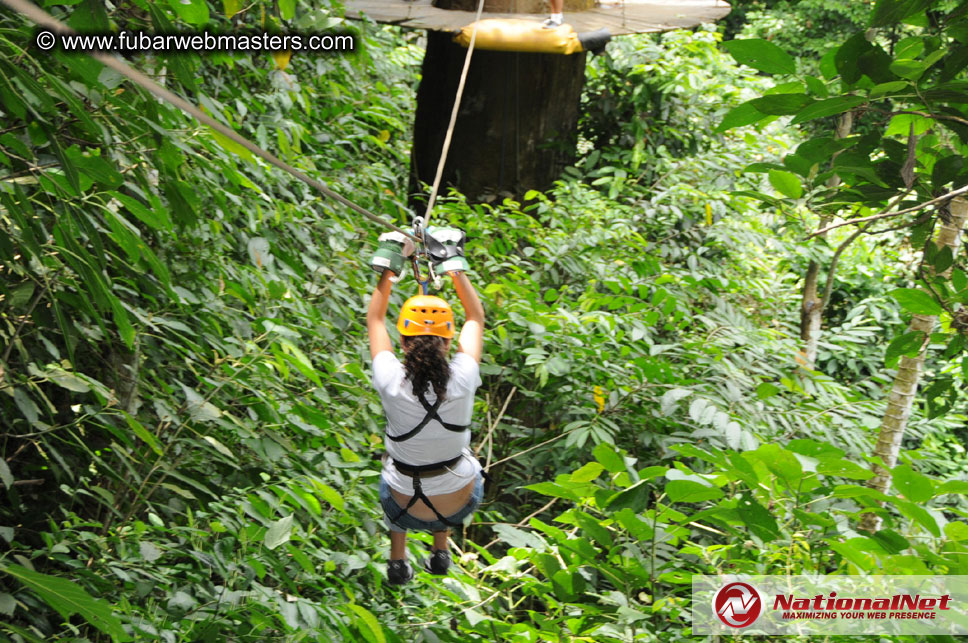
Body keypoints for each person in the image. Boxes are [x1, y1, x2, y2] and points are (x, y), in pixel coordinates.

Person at [366, 227, 486, 586]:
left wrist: (391, 267)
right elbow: (475, 318)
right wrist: (453, 267)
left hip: (402, 503)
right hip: (458, 504)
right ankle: (440, 548)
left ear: (403, 341)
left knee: (394, 463)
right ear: (448, 340)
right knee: (455, 460)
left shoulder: (390, 377)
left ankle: (398, 559)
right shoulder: (464, 375)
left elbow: (374, 319)